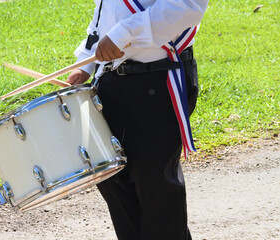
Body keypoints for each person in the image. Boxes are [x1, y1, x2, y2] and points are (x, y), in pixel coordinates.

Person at [66, 1, 208, 239]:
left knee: (154, 184)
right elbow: (106, 11)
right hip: (112, 77)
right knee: (112, 177)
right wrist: (88, 61)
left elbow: (188, 6)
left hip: (159, 77)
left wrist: (124, 34)